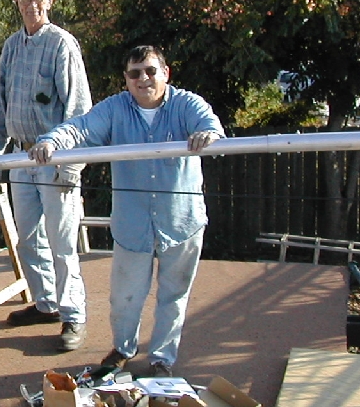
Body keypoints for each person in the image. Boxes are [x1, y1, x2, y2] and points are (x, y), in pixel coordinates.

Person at [28, 45, 224, 376]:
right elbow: (81, 127)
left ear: (165, 73)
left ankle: (162, 360)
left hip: (182, 222)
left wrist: (209, 134)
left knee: (173, 296)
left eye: (150, 71)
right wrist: (52, 141)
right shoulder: (115, 108)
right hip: (133, 224)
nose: (143, 79)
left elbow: (210, 126)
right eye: (135, 74)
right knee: (124, 297)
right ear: (126, 79)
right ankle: (123, 348)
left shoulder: (187, 104)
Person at [0, 0, 93, 352]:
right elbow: (0, 102)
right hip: (20, 157)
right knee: (28, 239)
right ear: (16, 1)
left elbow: (79, 111)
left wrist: (70, 165)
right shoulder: (11, 47)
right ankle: (46, 303)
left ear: (50, 2)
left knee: (62, 242)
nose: (31, 5)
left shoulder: (62, 45)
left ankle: (73, 314)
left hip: (55, 160)